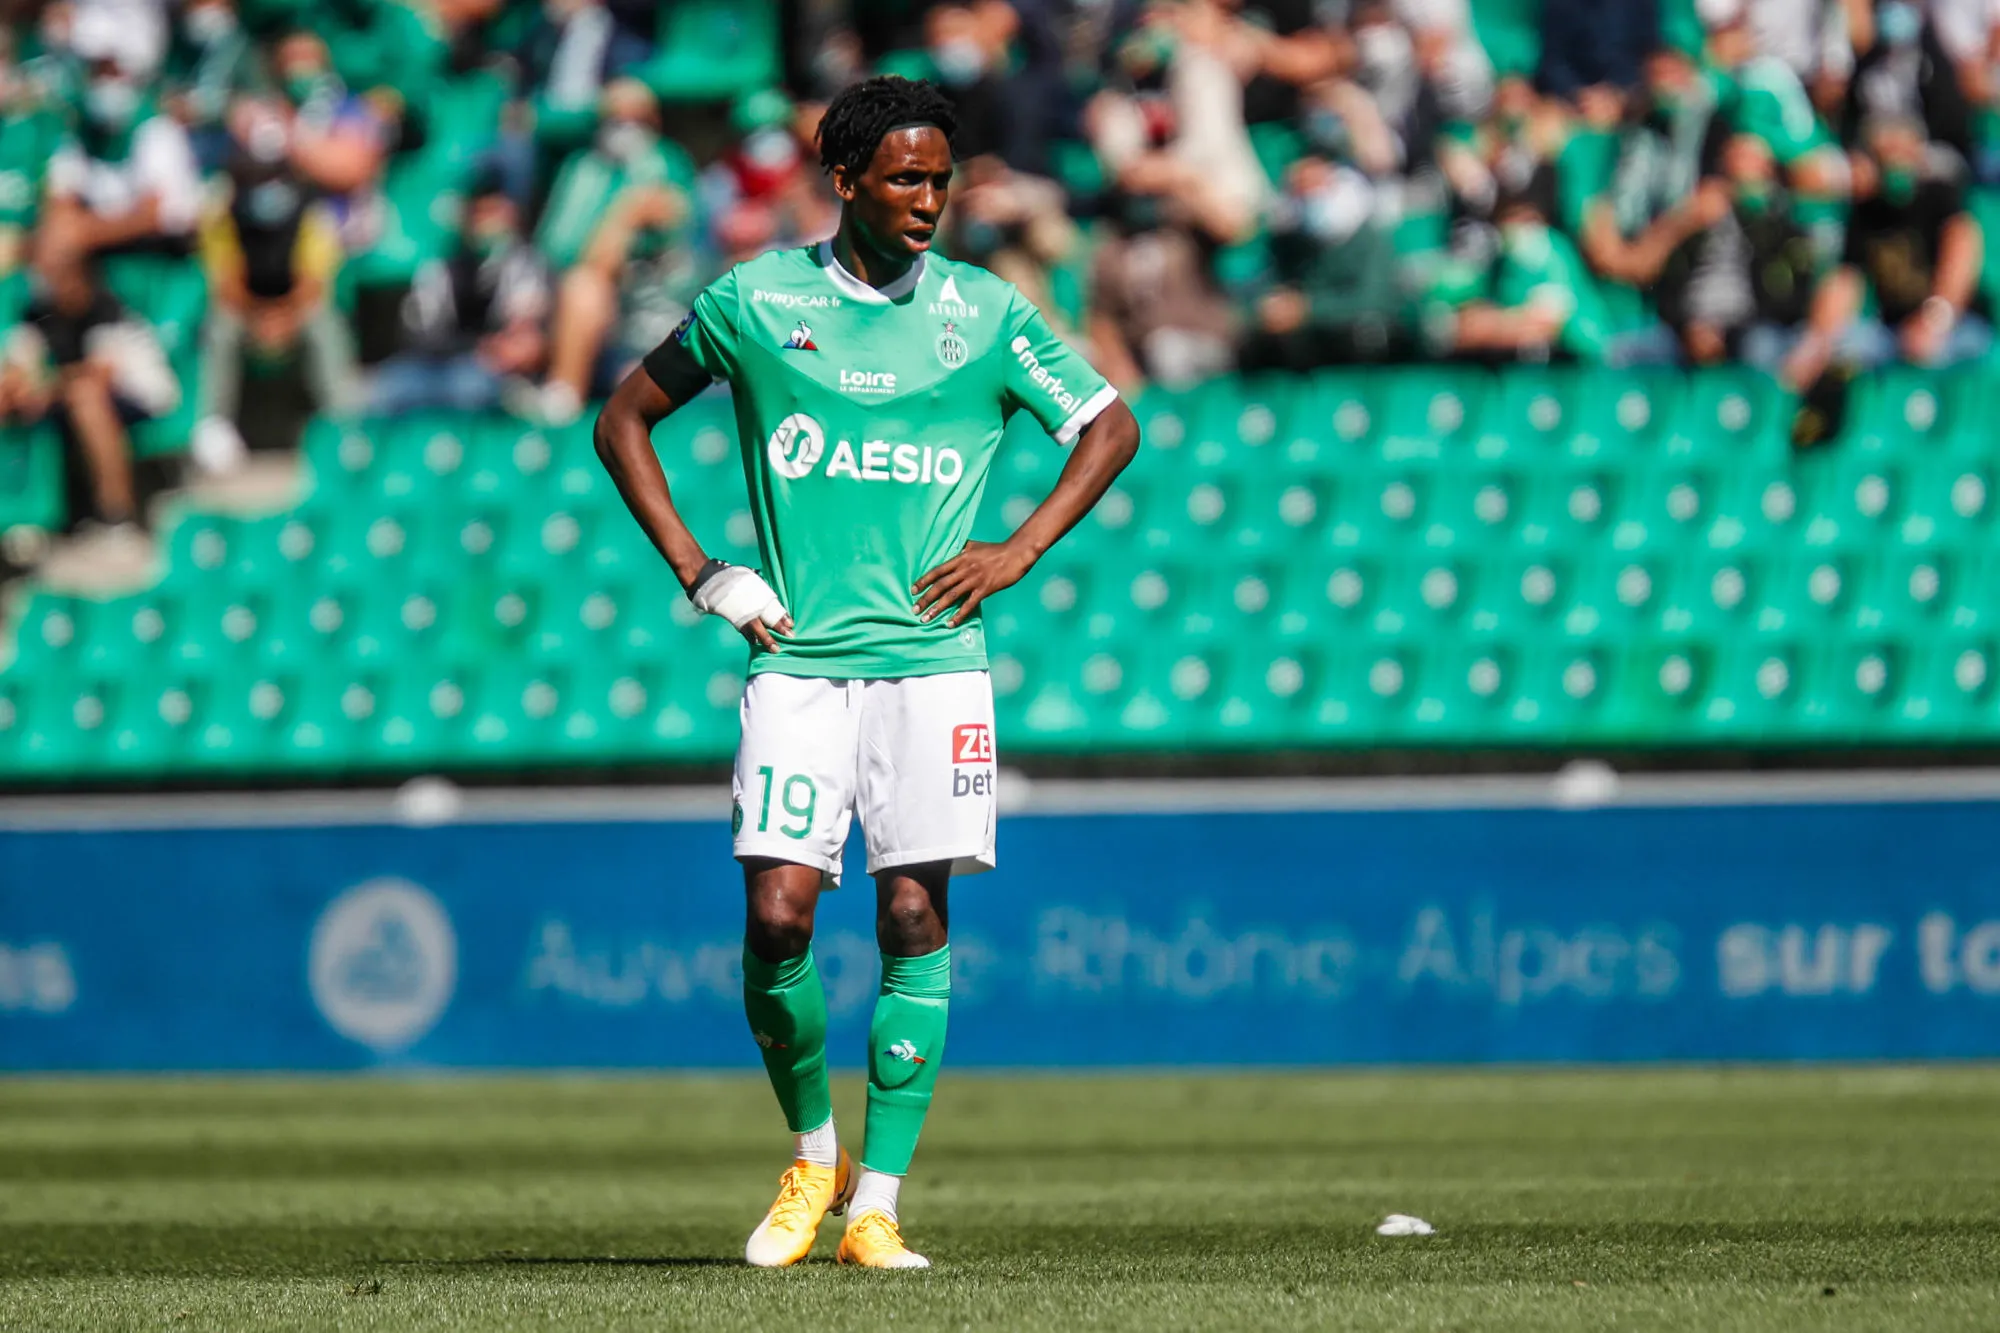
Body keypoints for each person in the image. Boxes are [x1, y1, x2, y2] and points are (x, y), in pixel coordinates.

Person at [592, 75, 1139, 1269]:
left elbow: (1109, 425)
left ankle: (875, 1205)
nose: (927, 200)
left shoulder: (984, 313)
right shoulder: (756, 300)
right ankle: (811, 1158)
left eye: (939, 179)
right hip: (796, 662)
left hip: (932, 666)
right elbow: (622, 419)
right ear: (844, 181)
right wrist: (700, 571)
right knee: (777, 914)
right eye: (903, 179)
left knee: (910, 911)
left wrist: (1016, 550)